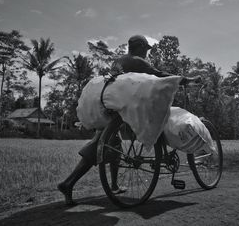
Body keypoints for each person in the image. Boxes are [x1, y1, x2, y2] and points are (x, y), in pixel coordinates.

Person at [58, 35, 200, 205]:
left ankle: (114, 185)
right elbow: (160, 76)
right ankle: (69, 183)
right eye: (146, 49)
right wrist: (186, 80)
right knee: (105, 145)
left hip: (110, 108)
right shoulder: (137, 61)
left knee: (111, 145)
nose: (146, 53)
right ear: (139, 47)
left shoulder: (118, 61)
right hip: (123, 110)